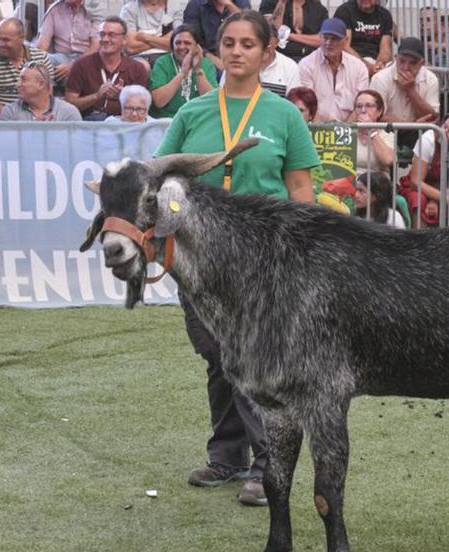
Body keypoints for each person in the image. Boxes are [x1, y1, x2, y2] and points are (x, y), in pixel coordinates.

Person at [155, 8, 319, 508]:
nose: (237, 51)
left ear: (268, 53)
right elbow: (164, 183)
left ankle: (267, 464)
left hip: (264, 261)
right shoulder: (192, 113)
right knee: (216, 355)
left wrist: (302, 255)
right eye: (229, 42)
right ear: (216, 49)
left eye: (249, 43)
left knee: (251, 361)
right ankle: (227, 455)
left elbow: (299, 189)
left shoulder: (284, 114)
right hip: (199, 261)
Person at [399, 111, 449, 227]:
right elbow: (416, 181)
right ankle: (420, 241)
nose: (443, 132)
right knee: (417, 200)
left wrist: (443, 197)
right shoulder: (428, 140)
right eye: (444, 126)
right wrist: (446, 199)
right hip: (423, 185)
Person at [65, 16, 151, 121]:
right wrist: (96, 96)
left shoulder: (137, 68)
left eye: (111, 35)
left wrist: (124, 96)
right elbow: (69, 104)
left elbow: (143, 108)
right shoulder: (81, 65)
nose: (105, 39)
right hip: (89, 124)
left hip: (124, 124)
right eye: (102, 34)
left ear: (124, 40)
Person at [0, 17, 54, 116]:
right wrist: (15, 116)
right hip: (3, 117)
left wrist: (32, 116)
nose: (0, 44)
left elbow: (47, 95)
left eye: (6, 40)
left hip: (37, 115)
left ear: (22, 38)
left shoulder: (41, 58)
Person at [297, 17, 368, 121]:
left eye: (334, 38)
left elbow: (361, 105)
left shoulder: (359, 67)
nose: (328, 43)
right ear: (319, 37)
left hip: (350, 130)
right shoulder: (306, 64)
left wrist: (345, 130)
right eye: (325, 37)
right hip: (315, 128)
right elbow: (306, 105)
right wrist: (326, 131)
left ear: (345, 40)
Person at [149, 24, 216, 118]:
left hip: (197, 119)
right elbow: (159, 101)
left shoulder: (206, 64)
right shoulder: (163, 62)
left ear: (197, 47)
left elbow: (212, 103)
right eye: (178, 43)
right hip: (167, 120)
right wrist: (182, 73)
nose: (181, 47)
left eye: (187, 43)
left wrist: (198, 70)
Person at [370, 37, 438, 124]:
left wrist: (411, 90)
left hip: (419, 133)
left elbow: (432, 118)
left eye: (412, 63)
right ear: (396, 58)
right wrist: (411, 127)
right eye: (402, 61)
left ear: (422, 63)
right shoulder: (380, 78)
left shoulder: (431, 79)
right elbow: (377, 115)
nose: (406, 68)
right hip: (387, 133)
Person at [0, 62, 82, 121]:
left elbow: (75, 145)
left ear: (41, 84)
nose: (17, 84)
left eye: (23, 79)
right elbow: (7, 145)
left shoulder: (68, 112)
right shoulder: (9, 112)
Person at [38, 0, 98, 81]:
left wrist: (73, 65)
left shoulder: (94, 10)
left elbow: (96, 48)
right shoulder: (54, 9)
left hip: (86, 58)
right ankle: (49, 91)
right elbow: (42, 46)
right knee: (39, 62)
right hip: (60, 57)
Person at [182, 0, 250, 69]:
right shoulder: (195, 5)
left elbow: (250, 30)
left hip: (236, 53)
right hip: (207, 57)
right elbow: (192, 40)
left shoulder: (241, 2)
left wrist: (230, 5)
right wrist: (215, 60)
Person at [333, 0, 393, 74]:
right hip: (349, 61)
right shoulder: (345, 11)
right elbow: (344, 46)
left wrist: (378, 66)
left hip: (375, 62)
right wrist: (366, 66)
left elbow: (385, 48)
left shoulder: (385, 15)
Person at [259, 0, 329, 63]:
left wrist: (289, 36)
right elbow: (271, 31)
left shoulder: (318, 8)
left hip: (310, 58)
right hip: (280, 58)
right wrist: (281, 3)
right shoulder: (271, 2)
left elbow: (323, 40)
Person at [351, 89, 394, 172]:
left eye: (369, 106)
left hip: (376, 181)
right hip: (351, 181)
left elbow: (388, 160)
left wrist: (371, 131)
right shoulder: (349, 134)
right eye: (359, 106)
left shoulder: (387, 135)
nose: (363, 110)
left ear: (379, 111)